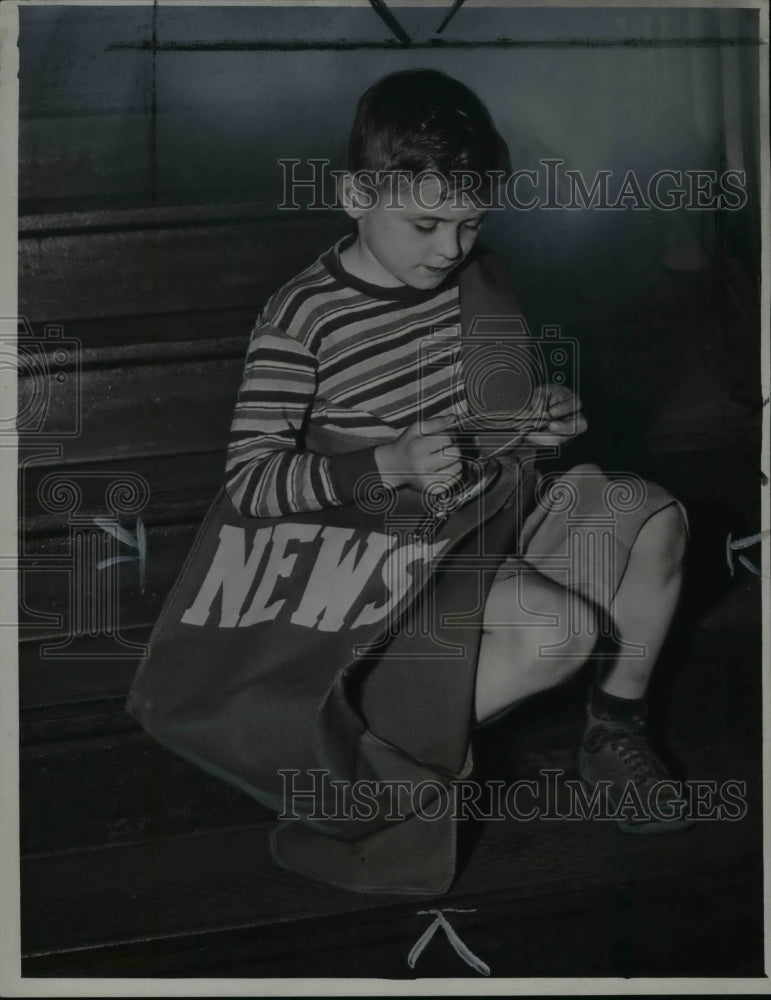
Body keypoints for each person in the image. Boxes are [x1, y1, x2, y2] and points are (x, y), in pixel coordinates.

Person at [224, 68, 691, 850]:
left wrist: (537, 425)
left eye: (470, 224)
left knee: (655, 521)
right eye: (424, 225)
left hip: (483, 513)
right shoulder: (301, 315)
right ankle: (369, 761)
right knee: (559, 630)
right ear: (354, 198)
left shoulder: (477, 273)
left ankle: (612, 730)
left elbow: (490, 419)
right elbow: (248, 484)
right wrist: (386, 462)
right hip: (380, 552)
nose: (450, 249)